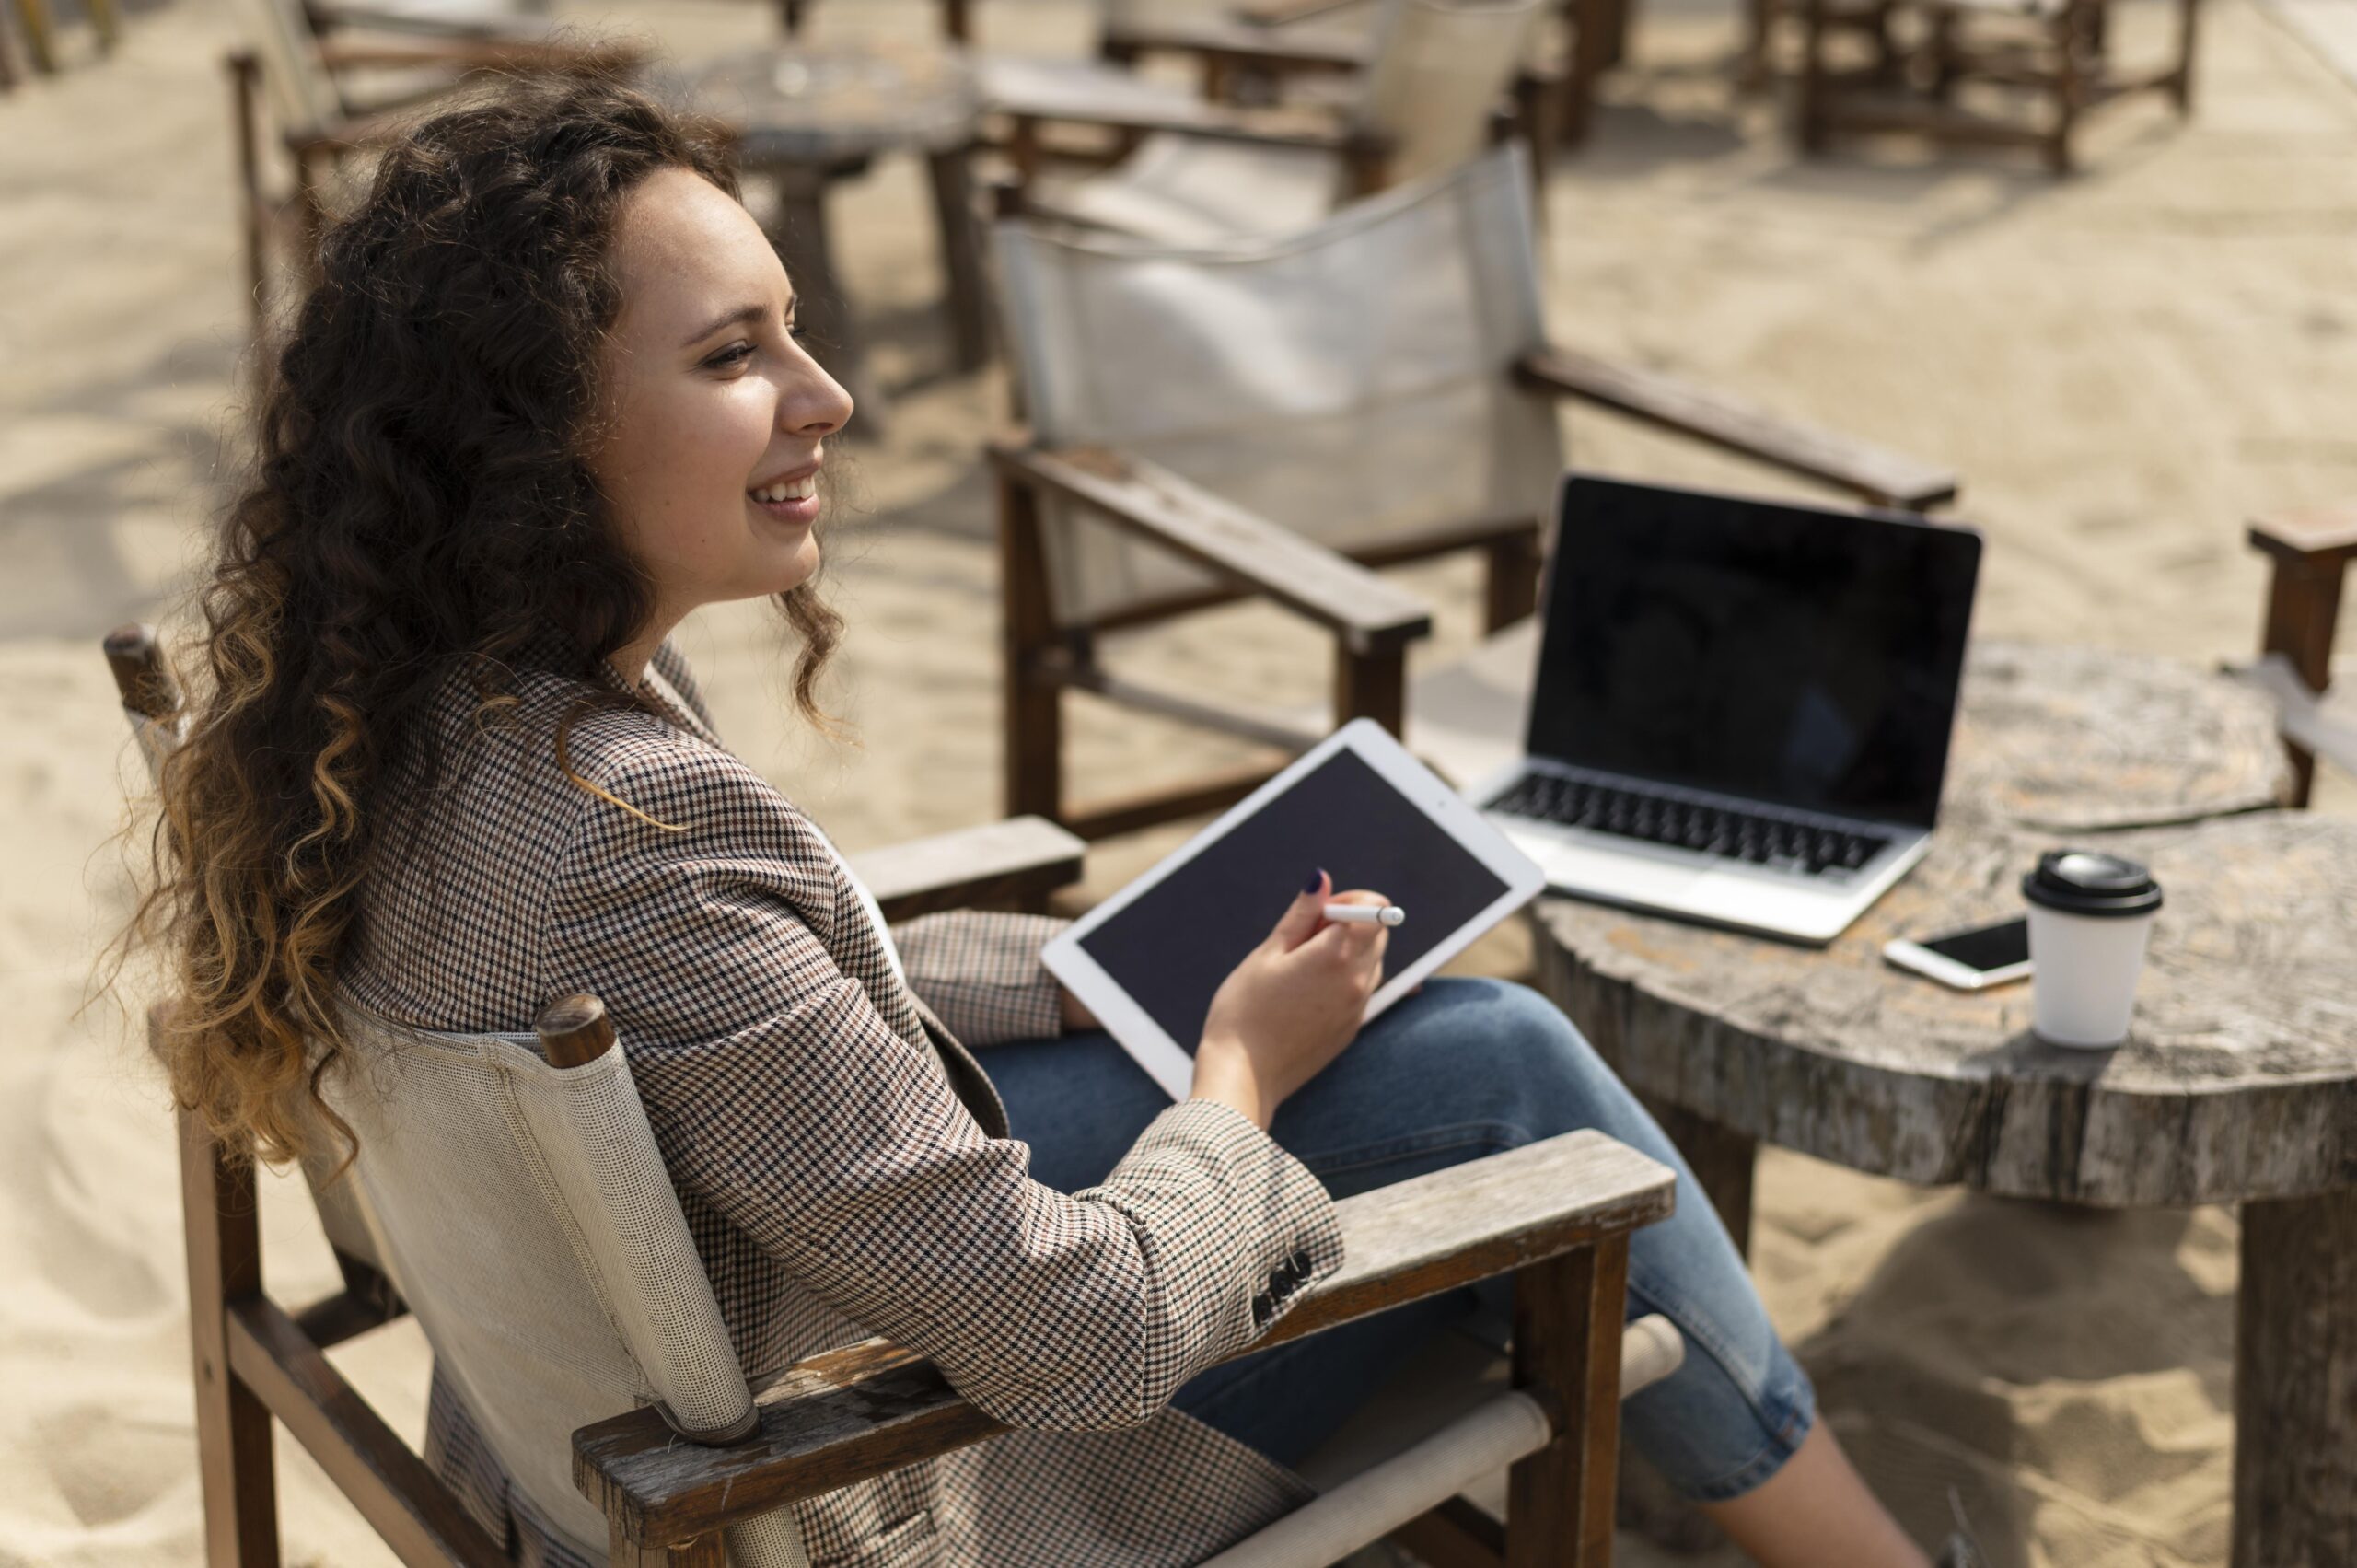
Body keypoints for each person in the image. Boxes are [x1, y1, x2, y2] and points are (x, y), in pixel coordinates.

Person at [130, 70, 1959, 1568]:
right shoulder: (629, 837)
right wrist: (1229, 1068)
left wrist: (1111, 977)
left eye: (796, 335)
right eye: (732, 358)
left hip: (630, 1380)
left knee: (1390, 1023)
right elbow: (1072, 1342)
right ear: (535, 438)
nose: (824, 399)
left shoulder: (400, 721)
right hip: (886, 1479)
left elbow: (759, 1029)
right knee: (1499, 1065)